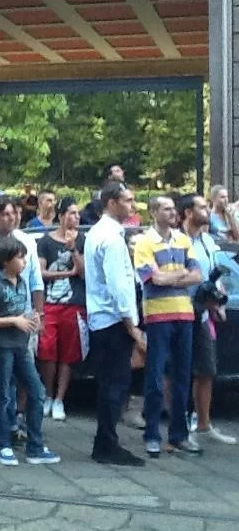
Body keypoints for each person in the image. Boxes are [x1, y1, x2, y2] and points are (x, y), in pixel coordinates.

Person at [0, 236, 60, 466]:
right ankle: (3, 444)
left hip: (21, 346)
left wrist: (30, 318)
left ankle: (35, 445)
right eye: (20, 257)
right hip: (0, 347)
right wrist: (14, 321)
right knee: (3, 395)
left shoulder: (22, 282)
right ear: (6, 261)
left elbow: (21, 311)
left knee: (37, 391)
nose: (24, 261)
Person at [134, 196, 202, 457]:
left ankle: (179, 434)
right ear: (154, 212)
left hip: (184, 315)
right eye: (167, 208)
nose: (173, 212)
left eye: (174, 208)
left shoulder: (183, 240)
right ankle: (152, 433)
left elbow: (198, 275)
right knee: (155, 376)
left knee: (183, 376)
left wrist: (169, 277)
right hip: (158, 316)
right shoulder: (144, 242)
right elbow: (152, 280)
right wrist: (180, 275)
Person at [0, 196, 45, 445]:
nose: (12, 217)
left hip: (24, 319)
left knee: (20, 375)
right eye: (5, 214)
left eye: (14, 213)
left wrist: (39, 314)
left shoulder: (26, 242)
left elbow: (35, 280)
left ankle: (13, 421)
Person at [84, 182, 146, 466]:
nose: (132, 206)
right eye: (127, 200)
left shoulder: (100, 233)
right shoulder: (110, 239)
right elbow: (118, 285)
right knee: (114, 384)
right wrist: (131, 325)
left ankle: (105, 441)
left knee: (111, 383)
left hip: (104, 319)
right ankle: (107, 444)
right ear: (111, 202)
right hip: (112, 321)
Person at [179, 194, 236, 445]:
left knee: (207, 368)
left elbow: (216, 276)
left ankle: (203, 424)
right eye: (202, 207)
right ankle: (178, 424)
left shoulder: (208, 241)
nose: (208, 211)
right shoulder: (177, 241)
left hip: (203, 312)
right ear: (188, 212)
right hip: (179, 309)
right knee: (178, 369)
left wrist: (219, 299)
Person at [37, 198, 85, 421]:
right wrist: (67, 273)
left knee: (68, 353)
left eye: (78, 213)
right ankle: (47, 394)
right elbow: (42, 272)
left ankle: (59, 398)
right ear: (62, 215)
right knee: (47, 351)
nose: (76, 217)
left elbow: (83, 272)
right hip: (51, 302)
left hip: (74, 303)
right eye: (72, 213)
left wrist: (73, 249)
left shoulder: (82, 240)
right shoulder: (46, 241)